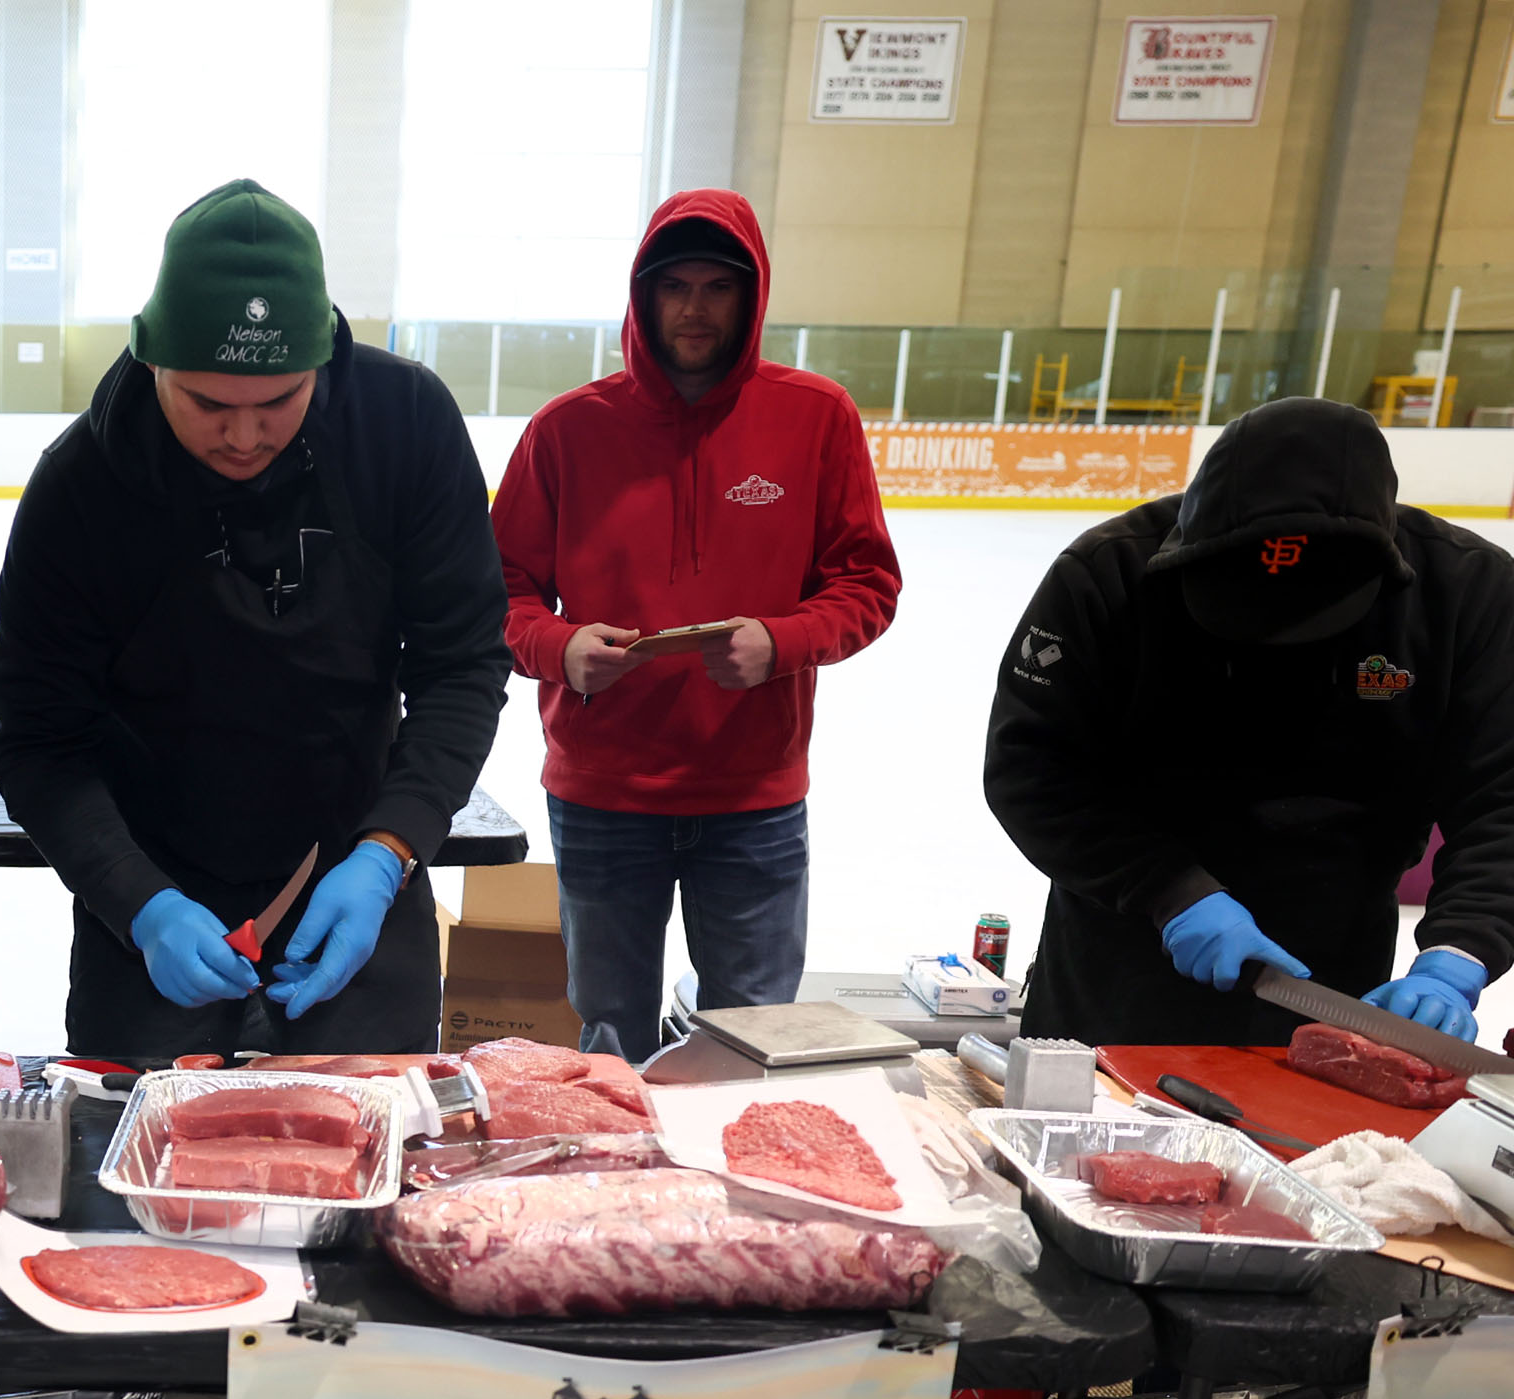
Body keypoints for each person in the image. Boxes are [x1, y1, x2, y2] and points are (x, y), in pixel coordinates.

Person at [0, 180, 509, 1055]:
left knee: (368, 1163)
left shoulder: (406, 427)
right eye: (207, 405)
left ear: (325, 359)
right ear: (153, 360)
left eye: (277, 401)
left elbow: (461, 666)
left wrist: (388, 853)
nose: (242, 437)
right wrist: (137, 901)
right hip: (154, 901)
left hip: (358, 869)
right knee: (141, 1169)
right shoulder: (81, 488)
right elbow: (40, 742)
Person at [489, 190, 899, 1058]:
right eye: (675, 286)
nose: (695, 308)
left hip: (753, 798)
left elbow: (867, 584)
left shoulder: (816, 417)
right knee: (609, 1041)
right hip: (604, 795)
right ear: (643, 295)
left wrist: (782, 642)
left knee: (752, 1043)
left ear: (751, 297)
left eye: (718, 287)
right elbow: (498, 591)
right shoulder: (566, 431)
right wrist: (558, 648)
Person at [986, 396, 1514, 1045]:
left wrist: (1459, 953)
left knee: (1308, 1142)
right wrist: (1169, 890)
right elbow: (1032, 769)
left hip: (1336, 964)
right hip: (1125, 941)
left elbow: (1503, 801)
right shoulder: (1107, 576)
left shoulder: (1470, 597)